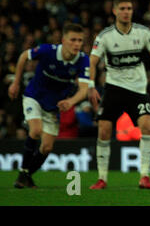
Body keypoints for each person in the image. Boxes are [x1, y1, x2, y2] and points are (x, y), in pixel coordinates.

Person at [88, 0, 150, 190]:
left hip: (138, 89)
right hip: (113, 88)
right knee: (104, 129)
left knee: (147, 126)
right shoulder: (105, 36)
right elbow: (93, 61)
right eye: (122, 8)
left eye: (129, 8)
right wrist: (90, 85)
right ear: (114, 11)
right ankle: (102, 178)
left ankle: (144, 176)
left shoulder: (144, 32)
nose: (126, 12)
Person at [8, 23, 90, 188]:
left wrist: (71, 101)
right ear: (63, 40)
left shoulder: (82, 60)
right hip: (34, 97)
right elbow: (24, 56)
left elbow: (84, 90)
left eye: (80, 40)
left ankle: (27, 175)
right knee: (36, 130)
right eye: (73, 40)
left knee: (46, 148)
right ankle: (22, 172)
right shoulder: (48, 51)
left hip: (53, 106)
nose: (77, 44)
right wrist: (16, 82)